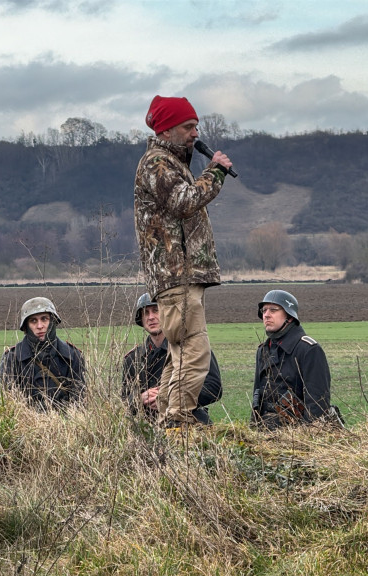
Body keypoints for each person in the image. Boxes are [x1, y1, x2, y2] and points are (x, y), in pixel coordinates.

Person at [133, 95, 233, 429]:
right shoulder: (157, 163)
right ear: (168, 128)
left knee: (179, 353)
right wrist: (215, 172)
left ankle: (166, 417)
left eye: (196, 126)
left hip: (178, 275)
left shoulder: (170, 163)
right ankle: (177, 421)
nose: (195, 133)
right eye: (188, 126)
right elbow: (184, 201)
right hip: (176, 274)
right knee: (194, 350)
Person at [122, 293, 223, 425]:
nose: (151, 317)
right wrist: (139, 398)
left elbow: (214, 389)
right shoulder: (132, 359)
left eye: (156, 310)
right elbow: (124, 402)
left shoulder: (193, 349)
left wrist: (169, 399)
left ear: (168, 314)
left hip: (188, 426)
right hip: (147, 432)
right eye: (145, 313)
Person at [252, 289, 338, 430]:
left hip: (297, 434)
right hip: (265, 432)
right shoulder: (263, 350)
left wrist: (304, 438)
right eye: (264, 310)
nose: (266, 315)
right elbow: (257, 396)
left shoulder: (308, 349)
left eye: (273, 310)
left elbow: (317, 403)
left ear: (289, 316)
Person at [0, 297, 86, 410]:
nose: (40, 326)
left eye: (44, 319)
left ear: (53, 321)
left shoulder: (73, 356)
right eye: (33, 321)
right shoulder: (12, 358)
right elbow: (7, 404)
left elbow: (79, 403)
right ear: (26, 326)